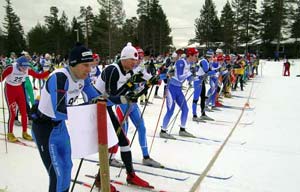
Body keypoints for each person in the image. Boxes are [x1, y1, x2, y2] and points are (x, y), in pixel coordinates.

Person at [31, 43, 117, 192]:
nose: (89, 69)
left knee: (67, 168)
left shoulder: (83, 78)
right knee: (57, 174)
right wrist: (84, 112)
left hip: (60, 128)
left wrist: (122, 99)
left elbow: (97, 97)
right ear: (73, 64)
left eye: (90, 65)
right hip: (45, 129)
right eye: (85, 65)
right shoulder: (59, 77)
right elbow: (59, 110)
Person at [95, 42, 154, 189]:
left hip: (106, 107)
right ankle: (101, 178)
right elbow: (112, 95)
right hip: (96, 107)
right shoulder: (112, 70)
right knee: (112, 141)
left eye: (136, 59)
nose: (135, 62)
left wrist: (149, 83)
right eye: (133, 59)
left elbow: (134, 90)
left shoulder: (129, 72)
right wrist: (129, 86)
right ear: (124, 59)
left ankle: (130, 175)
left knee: (122, 141)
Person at [0, 56, 51, 142]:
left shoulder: (27, 69)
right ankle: (10, 134)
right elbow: (1, 78)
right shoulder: (11, 68)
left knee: (24, 113)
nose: (24, 69)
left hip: (19, 90)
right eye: (23, 67)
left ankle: (25, 132)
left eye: (26, 67)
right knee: (12, 113)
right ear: (18, 65)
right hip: (9, 91)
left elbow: (38, 76)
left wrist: (49, 71)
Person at [159, 47, 199, 139]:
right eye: (196, 56)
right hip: (171, 88)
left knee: (185, 109)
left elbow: (189, 78)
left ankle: (182, 130)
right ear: (190, 55)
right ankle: (163, 131)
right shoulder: (181, 62)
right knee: (170, 110)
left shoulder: (190, 64)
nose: (197, 58)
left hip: (178, 89)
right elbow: (180, 77)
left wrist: (197, 78)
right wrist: (190, 73)